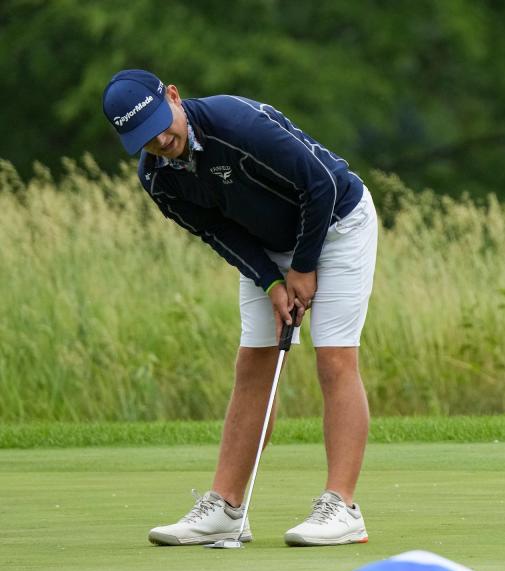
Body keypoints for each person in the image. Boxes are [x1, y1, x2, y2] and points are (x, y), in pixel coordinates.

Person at [101, 69, 378, 547]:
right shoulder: (158, 179)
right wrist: (272, 280)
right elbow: (217, 232)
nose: (161, 140)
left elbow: (320, 186)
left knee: (334, 356)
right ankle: (226, 508)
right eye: (145, 139)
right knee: (253, 361)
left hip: (337, 226)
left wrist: (304, 267)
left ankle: (342, 507)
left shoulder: (238, 124)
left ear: (172, 96)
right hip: (269, 249)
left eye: (161, 125)